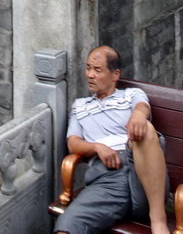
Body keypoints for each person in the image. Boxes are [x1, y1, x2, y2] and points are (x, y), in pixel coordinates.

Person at [54, 46, 170, 234]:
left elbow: (141, 107)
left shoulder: (131, 94)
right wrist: (97, 147)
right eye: (88, 68)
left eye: (97, 70)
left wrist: (138, 116)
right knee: (66, 226)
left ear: (115, 74)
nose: (90, 75)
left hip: (144, 172)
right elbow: (73, 142)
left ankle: (158, 221)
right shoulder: (80, 106)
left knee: (145, 130)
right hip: (107, 180)